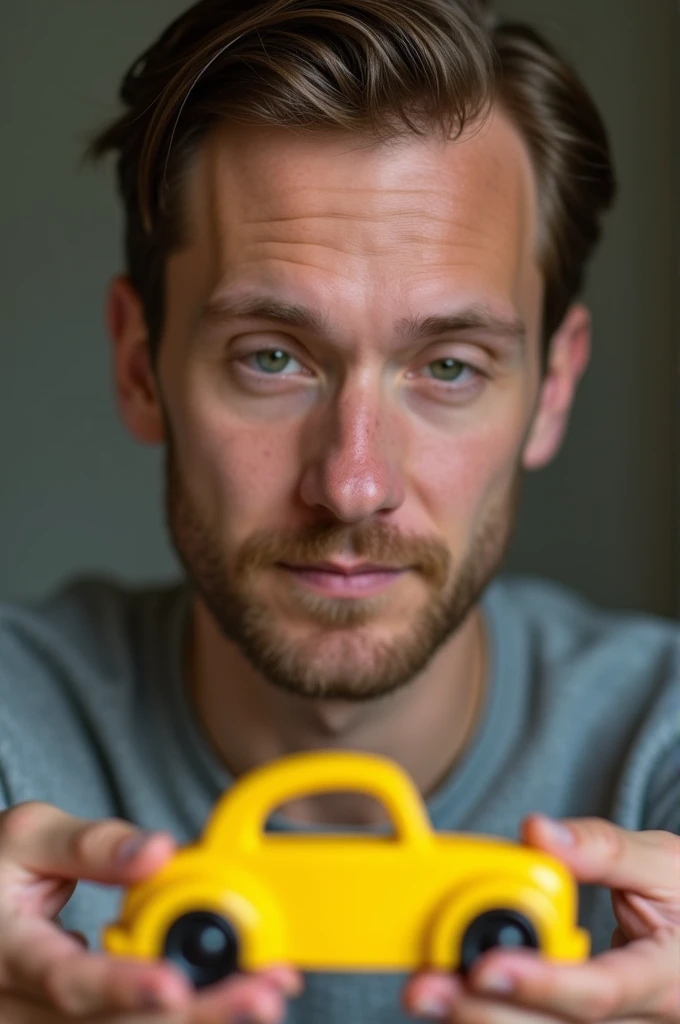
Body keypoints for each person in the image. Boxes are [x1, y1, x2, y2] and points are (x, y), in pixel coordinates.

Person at [0, 0, 678, 1022]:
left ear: (551, 389)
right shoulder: (15, 738)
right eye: (270, 356)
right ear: (140, 367)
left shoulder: (660, 746)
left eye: (447, 366)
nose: (353, 482)